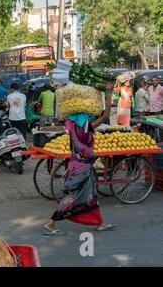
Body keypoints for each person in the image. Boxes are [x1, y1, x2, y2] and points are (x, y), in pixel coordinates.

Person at [43, 83, 116, 235]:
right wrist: (109, 94)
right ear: (84, 118)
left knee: (91, 195)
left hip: (78, 165)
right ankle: (50, 223)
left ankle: (99, 223)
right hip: (80, 168)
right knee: (71, 196)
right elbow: (106, 116)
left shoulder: (72, 126)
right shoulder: (86, 127)